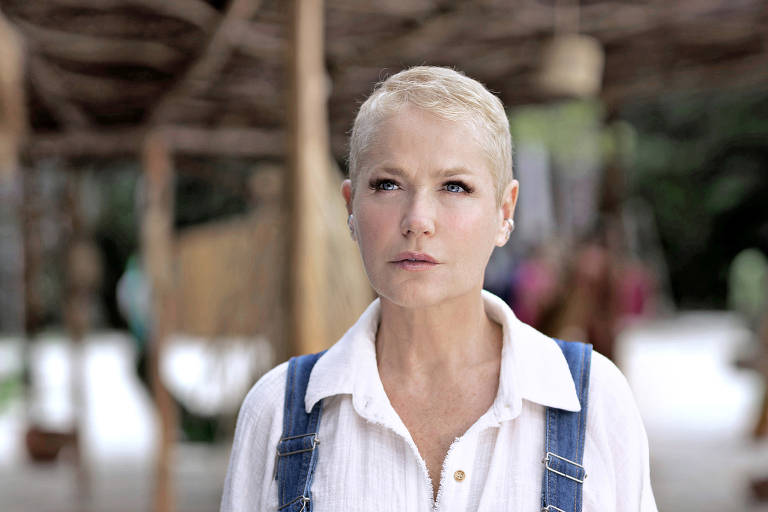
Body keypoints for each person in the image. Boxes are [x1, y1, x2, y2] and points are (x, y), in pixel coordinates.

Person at [220, 66, 657, 511]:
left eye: (454, 186)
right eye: (388, 184)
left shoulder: (594, 402)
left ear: (505, 211)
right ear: (350, 207)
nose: (418, 220)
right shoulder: (276, 412)